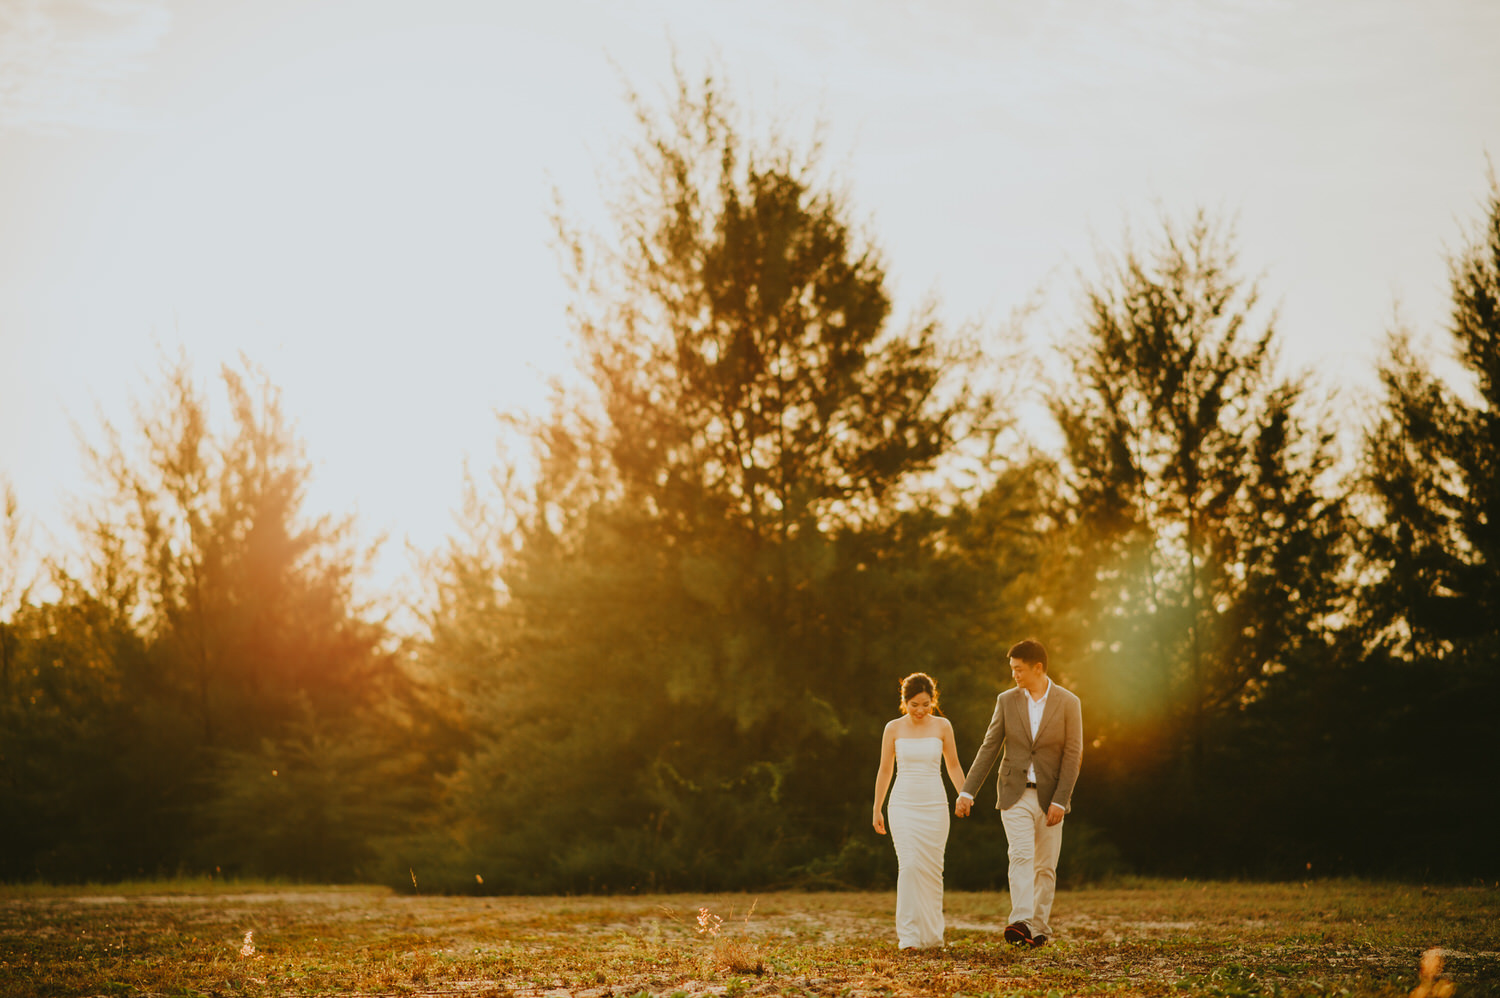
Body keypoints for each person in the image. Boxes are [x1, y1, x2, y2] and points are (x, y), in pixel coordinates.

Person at [954, 640, 1082, 949]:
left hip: (1051, 795)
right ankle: (1022, 920)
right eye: (1012, 669)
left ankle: (1038, 929)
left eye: (1019, 669)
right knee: (1021, 855)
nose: (1014, 675)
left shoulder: (1068, 702)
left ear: (1038, 668)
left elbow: (1073, 753)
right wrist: (967, 791)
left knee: (1045, 867)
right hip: (1014, 793)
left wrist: (1060, 801)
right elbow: (989, 747)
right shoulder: (1006, 700)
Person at [872, 672, 967, 950]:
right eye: (914, 704)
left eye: (926, 704)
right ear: (904, 702)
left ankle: (932, 936)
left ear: (933, 700)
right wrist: (877, 807)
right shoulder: (892, 728)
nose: (921, 710)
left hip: (935, 805)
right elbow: (885, 769)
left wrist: (964, 794)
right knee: (910, 866)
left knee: (933, 870)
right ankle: (910, 936)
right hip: (902, 804)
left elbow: (953, 765)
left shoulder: (943, 726)